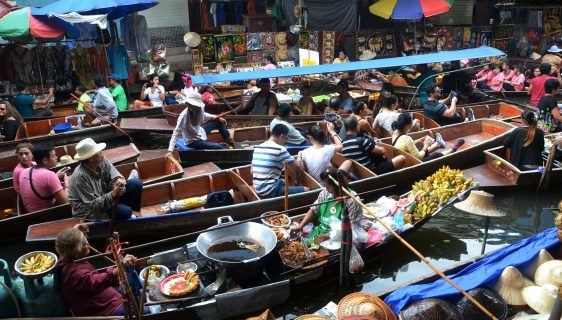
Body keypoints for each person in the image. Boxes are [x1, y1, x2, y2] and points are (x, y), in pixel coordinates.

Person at [56, 225, 143, 316]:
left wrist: (75, 232)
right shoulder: (75, 274)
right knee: (147, 310)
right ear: (75, 253)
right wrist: (118, 270)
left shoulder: (65, 255)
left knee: (141, 293)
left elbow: (68, 244)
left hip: (104, 294)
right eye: (83, 243)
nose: (87, 243)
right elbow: (97, 281)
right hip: (103, 308)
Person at [68, 138, 143, 220]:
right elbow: (92, 205)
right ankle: (126, 213)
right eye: (99, 152)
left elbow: (115, 176)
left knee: (135, 184)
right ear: (91, 158)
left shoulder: (102, 161)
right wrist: (113, 193)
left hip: (106, 198)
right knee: (126, 212)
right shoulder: (80, 177)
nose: (101, 153)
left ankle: (132, 214)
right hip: (90, 211)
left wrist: (118, 183)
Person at [290, 168, 363, 245]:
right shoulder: (325, 193)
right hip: (322, 230)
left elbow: (352, 228)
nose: (326, 189)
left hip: (342, 237)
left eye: (327, 187)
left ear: (336, 185)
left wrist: (328, 235)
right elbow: (314, 209)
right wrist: (301, 226)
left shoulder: (352, 200)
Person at [251, 123, 310, 199]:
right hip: (269, 191)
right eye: (286, 139)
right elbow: (297, 166)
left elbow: (251, 171)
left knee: (284, 181)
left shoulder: (258, 147)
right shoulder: (280, 149)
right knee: (307, 190)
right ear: (282, 136)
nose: (285, 142)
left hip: (258, 188)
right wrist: (299, 154)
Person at [166, 90, 230, 152]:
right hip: (193, 141)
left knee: (218, 122)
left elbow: (205, 115)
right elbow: (176, 133)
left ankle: (228, 140)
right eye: (189, 104)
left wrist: (217, 117)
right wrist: (170, 151)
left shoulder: (199, 108)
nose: (190, 106)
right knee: (219, 147)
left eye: (192, 104)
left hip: (200, 131)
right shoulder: (184, 116)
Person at [341, 117, 406, 175]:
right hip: (372, 172)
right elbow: (382, 151)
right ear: (357, 126)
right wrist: (378, 143)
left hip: (359, 173)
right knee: (401, 158)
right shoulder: (361, 141)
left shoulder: (343, 144)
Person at [391, 113, 464, 162]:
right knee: (436, 155)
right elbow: (418, 157)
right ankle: (452, 150)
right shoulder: (407, 139)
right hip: (412, 163)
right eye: (412, 121)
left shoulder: (395, 132)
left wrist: (419, 140)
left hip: (405, 157)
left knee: (420, 149)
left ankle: (436, 145)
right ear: (407, 125)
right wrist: (425, 146)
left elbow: (405, 145)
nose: (413, 122)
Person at [19, 144, 69, 213]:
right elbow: (65, 203)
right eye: (53, 156)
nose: (56, 157)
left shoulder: (24, 171)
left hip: (29, 214)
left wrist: (55, 176)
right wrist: (67, 182)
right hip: (45, 216)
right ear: (45, 160)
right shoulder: (49, 175)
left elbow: (41, 181)